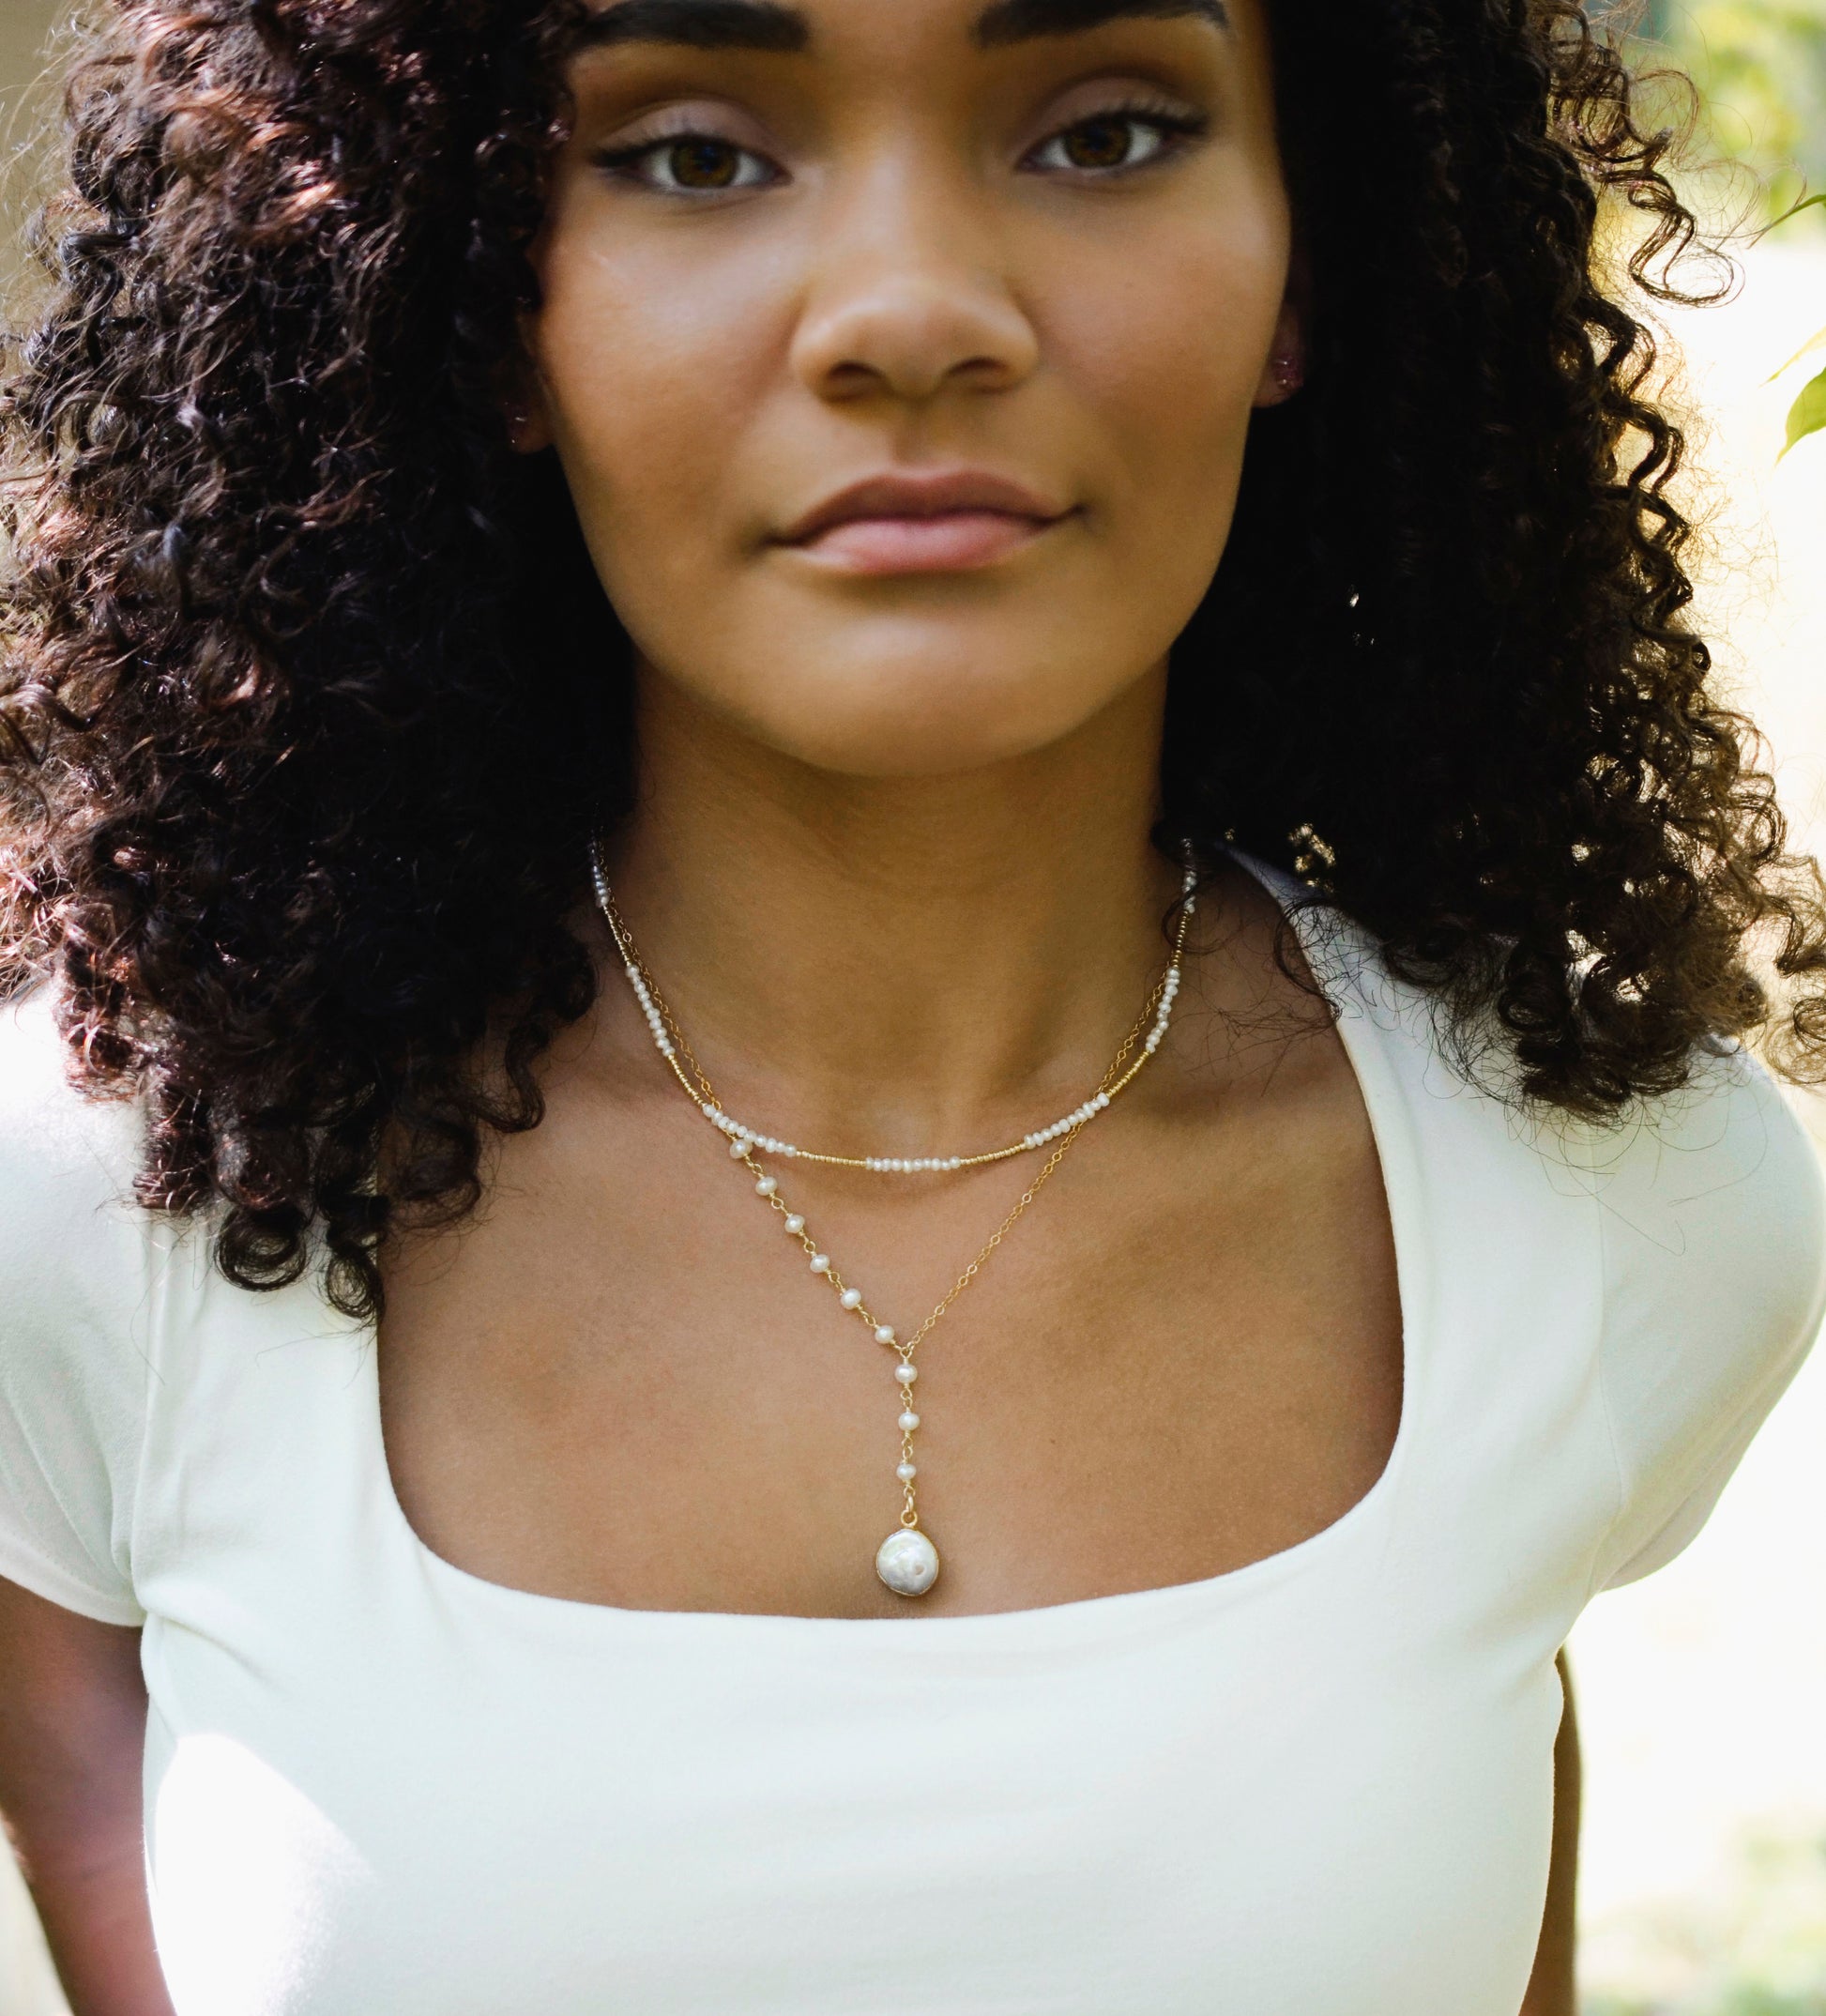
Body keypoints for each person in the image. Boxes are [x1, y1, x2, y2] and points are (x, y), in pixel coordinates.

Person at [0, 0, 1822, 2009]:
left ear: (1311, 257)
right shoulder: (106, 1206)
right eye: (693, 152)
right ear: (475, 294)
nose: (910, 312)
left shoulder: (1604, 1190)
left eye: (1106, 131)